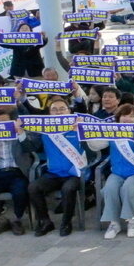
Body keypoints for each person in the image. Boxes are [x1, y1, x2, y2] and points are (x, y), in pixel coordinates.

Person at [24, 98, 88, 237]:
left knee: (68, 189)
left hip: (74, 173)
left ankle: (66, 222)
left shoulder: (79, 127)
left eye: (62, 109)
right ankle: (46, 221)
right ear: (49, 114)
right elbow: (31, 147)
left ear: (69, 111)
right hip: (53, 174)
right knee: (33, 187)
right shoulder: (45, 131)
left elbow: (93, 149)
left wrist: (83, 130)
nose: (58, 112)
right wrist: (21, 134)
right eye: (54, 110)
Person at [87, 103, 134, 240]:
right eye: (124, 116)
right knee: (109, 188)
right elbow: (95, 146)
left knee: (129, 188)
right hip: (117, 173)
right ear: (118, 118)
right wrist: (85, 132)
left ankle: (131, 220)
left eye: (131, 116)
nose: (127, 119)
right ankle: (114, 223)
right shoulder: (113, 133)